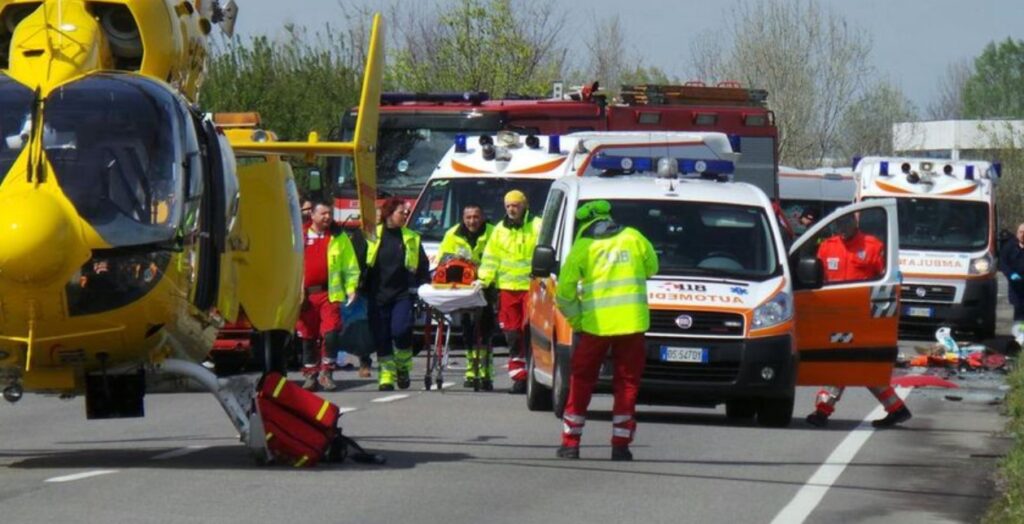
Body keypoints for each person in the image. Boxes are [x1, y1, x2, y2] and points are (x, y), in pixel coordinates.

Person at [554, 201, 658, 461]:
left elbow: (564, 295)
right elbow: (652, 269)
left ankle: (571, 443)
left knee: (581, 382)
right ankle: (621, 445)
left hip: (594, 328)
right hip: (632, 325)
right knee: (627, 384)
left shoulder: (582, 247)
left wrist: (578, 322)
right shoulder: (634, 237)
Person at [805, 214, 912, 428]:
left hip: (862, 318)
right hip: (834, 315)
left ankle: (822, 411)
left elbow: (888, 281)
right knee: (862, 366)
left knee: (841, 362)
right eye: (839, 225)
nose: (842, 228)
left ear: (856, 223)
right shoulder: (827, 247)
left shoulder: (873, 246)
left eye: (846, 223)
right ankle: (897, 408)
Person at [478, 190, 541, 394]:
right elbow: (491, 257)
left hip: (533, 290)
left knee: (530, 333)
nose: (512, 209)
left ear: (525, 205)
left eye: (516, 205)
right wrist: (484, 280)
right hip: (507, 290)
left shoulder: (538, 225)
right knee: (512, 334)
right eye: (508, 206)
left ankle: (533, 375)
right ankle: (519, 377)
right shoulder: (499, 230)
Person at [366, 197, 430, 391]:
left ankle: (402, 366)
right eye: (401, 212)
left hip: (402, 293)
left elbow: (422, 265)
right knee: (382, 336)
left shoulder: (411, 237)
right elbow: (359, 260)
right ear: (389, 214)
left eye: (405, 213)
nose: (404, 216)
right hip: (377, 293)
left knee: (401, 331)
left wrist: (425, 285)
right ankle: (386, 375)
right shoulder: (371, 235)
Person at [297, 202, 360, 391]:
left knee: (331, 334)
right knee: (307, 336)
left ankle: (327, 372)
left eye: (329, 213)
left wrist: (351, 288)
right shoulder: (298, 236)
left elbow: (351, 266)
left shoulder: (339, 237)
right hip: (305, 297)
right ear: (313, 216)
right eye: (323, 213)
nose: (327, 217)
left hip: (330, 294)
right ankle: (310, 374)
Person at [437, 204, 496, 390]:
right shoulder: (453, 234)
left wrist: (484, 277)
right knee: (467, 326)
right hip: (462, 286)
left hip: (487, 285)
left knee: (485, 327)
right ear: (463, 218)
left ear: (482, 217)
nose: (472, 221)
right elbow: (443, 259)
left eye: (476, 217)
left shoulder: (494, 233)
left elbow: (499, 257)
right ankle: (472, 369)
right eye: (468, 217)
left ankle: (485, 370)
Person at [999, 222, 1024, 344]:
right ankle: (1019, 338)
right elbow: (1003, 263)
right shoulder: (1010, 246)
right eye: (1021, 232)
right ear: (1017, 233)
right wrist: (1010, 274)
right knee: (1019, 310)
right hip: (1016, 286)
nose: (1023, 235)